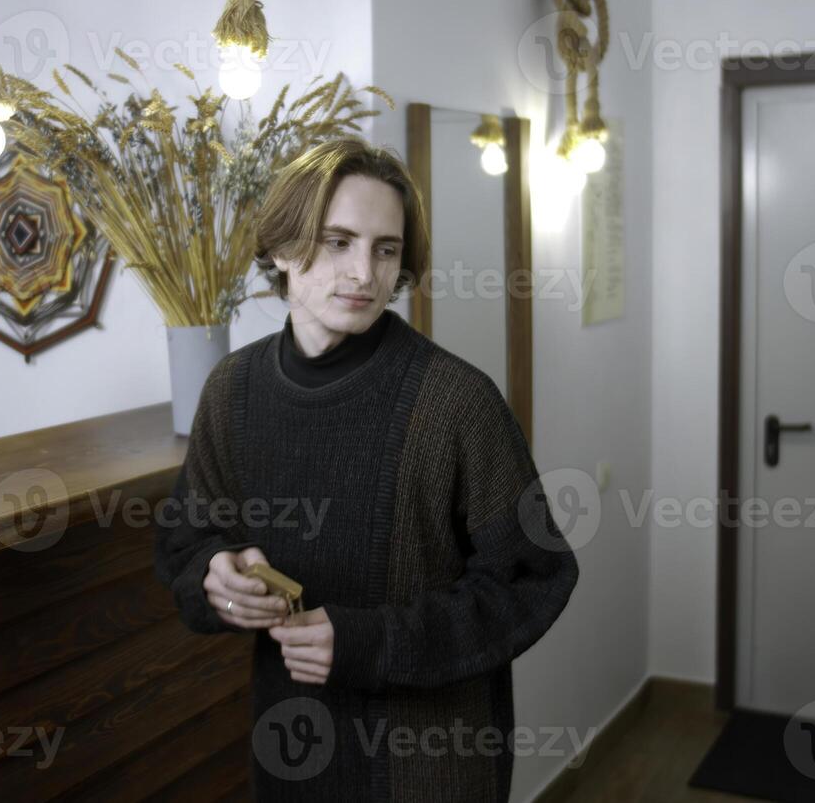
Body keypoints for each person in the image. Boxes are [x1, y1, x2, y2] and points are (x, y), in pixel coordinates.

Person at [153, 138, 579, 801]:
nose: (364, 273)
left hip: (432, 766)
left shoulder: (455, 401)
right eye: (338, 241)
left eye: (385, 249)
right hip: (290, 750)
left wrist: (371, 643)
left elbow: (533, 577)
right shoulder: (231, 390)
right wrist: (216, 576)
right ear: (282, 250)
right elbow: (186, 540)